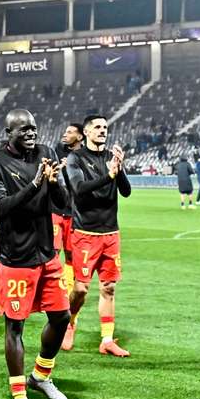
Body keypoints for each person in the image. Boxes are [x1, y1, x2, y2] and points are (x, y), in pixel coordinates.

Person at [0, 109, 71, 399]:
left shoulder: (47, 154)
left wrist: (55, 182)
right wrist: (34, 185)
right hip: (15, 257)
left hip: (47, 254)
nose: (32, 134)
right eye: (24, 129)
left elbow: (65, 203)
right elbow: (0, 208)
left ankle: (41, 376)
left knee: (61, 317)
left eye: (34, 128)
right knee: (14, 326)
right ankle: (19, 396)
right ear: (9, 132)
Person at [63, 115, 132, 357]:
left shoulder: (111, 158)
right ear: (86, 132)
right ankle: (69, 323)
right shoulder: (76, 158)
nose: (103, 131)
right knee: (81, 289)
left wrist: (119, 169)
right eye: (97, 127)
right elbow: (79, 190)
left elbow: (126, 191)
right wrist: (109, 176)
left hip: (110, 233)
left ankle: (106, 339)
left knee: (109, 287)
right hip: (85, 234)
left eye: (105, 127)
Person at [52, 123, 84, 299]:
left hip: (74, 212)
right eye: (65, 131)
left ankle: (66, 291)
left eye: (70, 132)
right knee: (53, 252)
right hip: (55, 210)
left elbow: (80, 186)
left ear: (80, 137)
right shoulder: (57, 151)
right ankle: (53, 289)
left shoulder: (84, 158)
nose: (65, 134)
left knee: (71, 255)